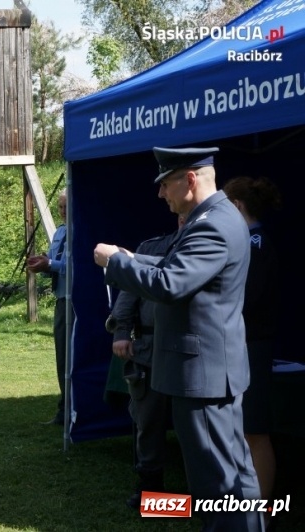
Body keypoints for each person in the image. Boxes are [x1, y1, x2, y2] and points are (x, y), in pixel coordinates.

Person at [93, 147, 263, 531]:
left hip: (202, 375)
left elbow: (171, 283)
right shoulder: (220, 217)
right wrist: (133, 257)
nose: (160, 194)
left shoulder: (210, 225)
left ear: (189, 179)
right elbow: (178, 267)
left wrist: (116, 263)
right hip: (213, 370)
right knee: (236, 475)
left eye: (165, 184)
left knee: (216, 484)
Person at [109, 215, 183, 510]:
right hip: (150, 349)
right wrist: (122, 332)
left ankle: (207, 492)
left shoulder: (206, 247)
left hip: (189, 353)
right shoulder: (152, 248)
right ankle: (151, 491)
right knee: (148, 419)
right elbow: (129, 293)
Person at [223, 176, 282, 509]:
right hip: (241, 346)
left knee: (255, 432)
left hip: (252, 347)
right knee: (239, 432)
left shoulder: (255, 244)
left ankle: (261, 514)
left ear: (235, 206)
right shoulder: (248, 241)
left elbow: (245, 300)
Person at [27, 188, 73, 426]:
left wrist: (51, 263)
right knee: (61, 358)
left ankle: (73, 410)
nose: (64, 212)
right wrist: (42, 264)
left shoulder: (83, 231)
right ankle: (63, 409)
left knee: (73, 357)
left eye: (67, 206)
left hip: (76, 302)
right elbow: (56, 265)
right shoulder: (59, 233)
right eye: (60, 207)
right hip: (60, 300)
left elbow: (75, 266)